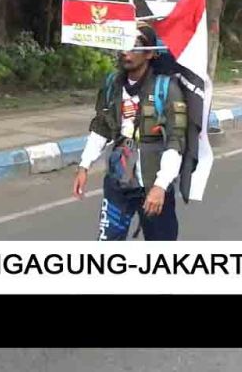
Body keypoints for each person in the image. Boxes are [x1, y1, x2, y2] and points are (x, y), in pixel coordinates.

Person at [72, 25, 186, 241]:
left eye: (135, 45)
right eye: (123, 44)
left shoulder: (167, 89)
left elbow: (175, 141)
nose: (126, 51)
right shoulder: (112, 84)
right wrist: (84, 166)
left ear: (150, 53)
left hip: (153, 184)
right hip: (119, 182)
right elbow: (101, 127)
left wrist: (160, 186)